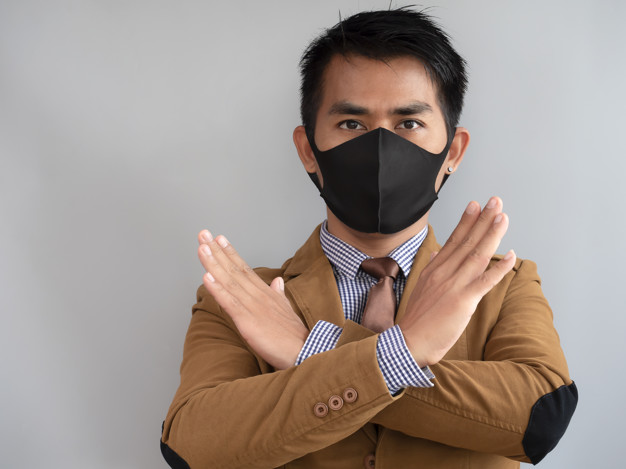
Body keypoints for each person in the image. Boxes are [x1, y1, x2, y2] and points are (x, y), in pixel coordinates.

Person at [161, 8, 577, 468]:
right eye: (352, 124)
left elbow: (538, 419)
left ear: (453, 152)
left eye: (408, 124)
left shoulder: (504, 285)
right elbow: (192, 445)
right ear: (308, 150)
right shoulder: (239, 298)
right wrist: (406, 351)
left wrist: (311, 351)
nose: (381, 147)